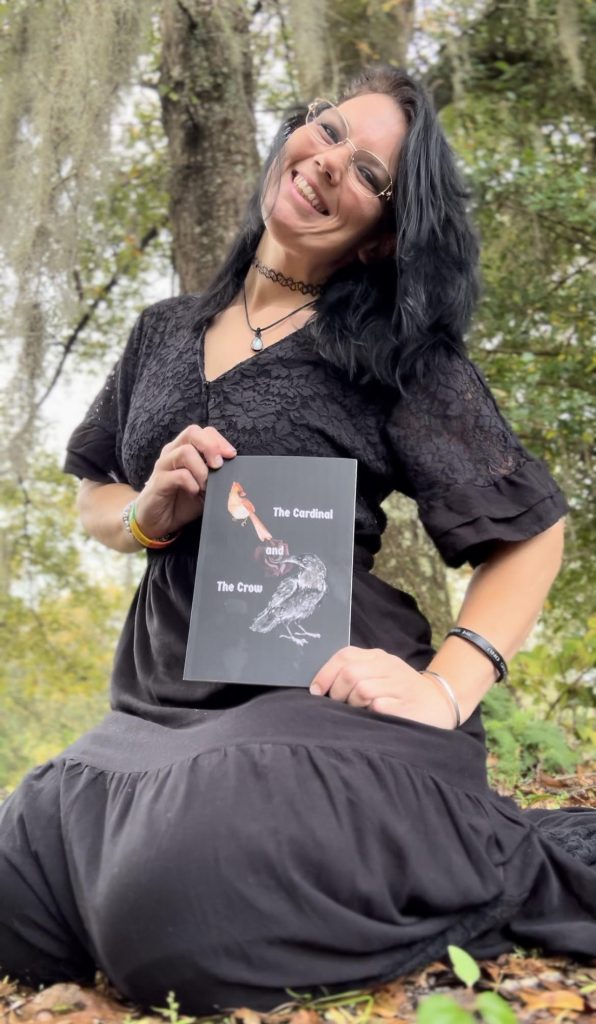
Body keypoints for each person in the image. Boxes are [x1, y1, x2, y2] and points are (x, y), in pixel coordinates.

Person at [0, 65, 594, 1013]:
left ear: (384, 233)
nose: (326, 164)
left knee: (174, 903)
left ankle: (453, 843)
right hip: (158, 703)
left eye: (368, 172)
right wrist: (146, 514)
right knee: (16, 890)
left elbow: (532, 534)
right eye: (325, 131)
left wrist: (444, 690)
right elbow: (96, 499)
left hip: (322, 699)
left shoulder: (393, 348)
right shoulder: (162, 332)